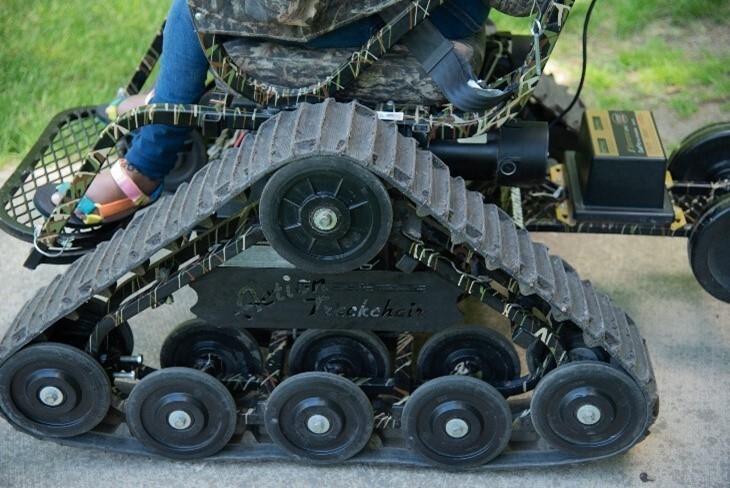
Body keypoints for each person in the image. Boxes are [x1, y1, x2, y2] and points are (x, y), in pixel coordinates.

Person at [51, 0, 493, 225]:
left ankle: (148, 164)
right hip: (435, 8)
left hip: (416, 18)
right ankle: (169, 97)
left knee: (196, 9)